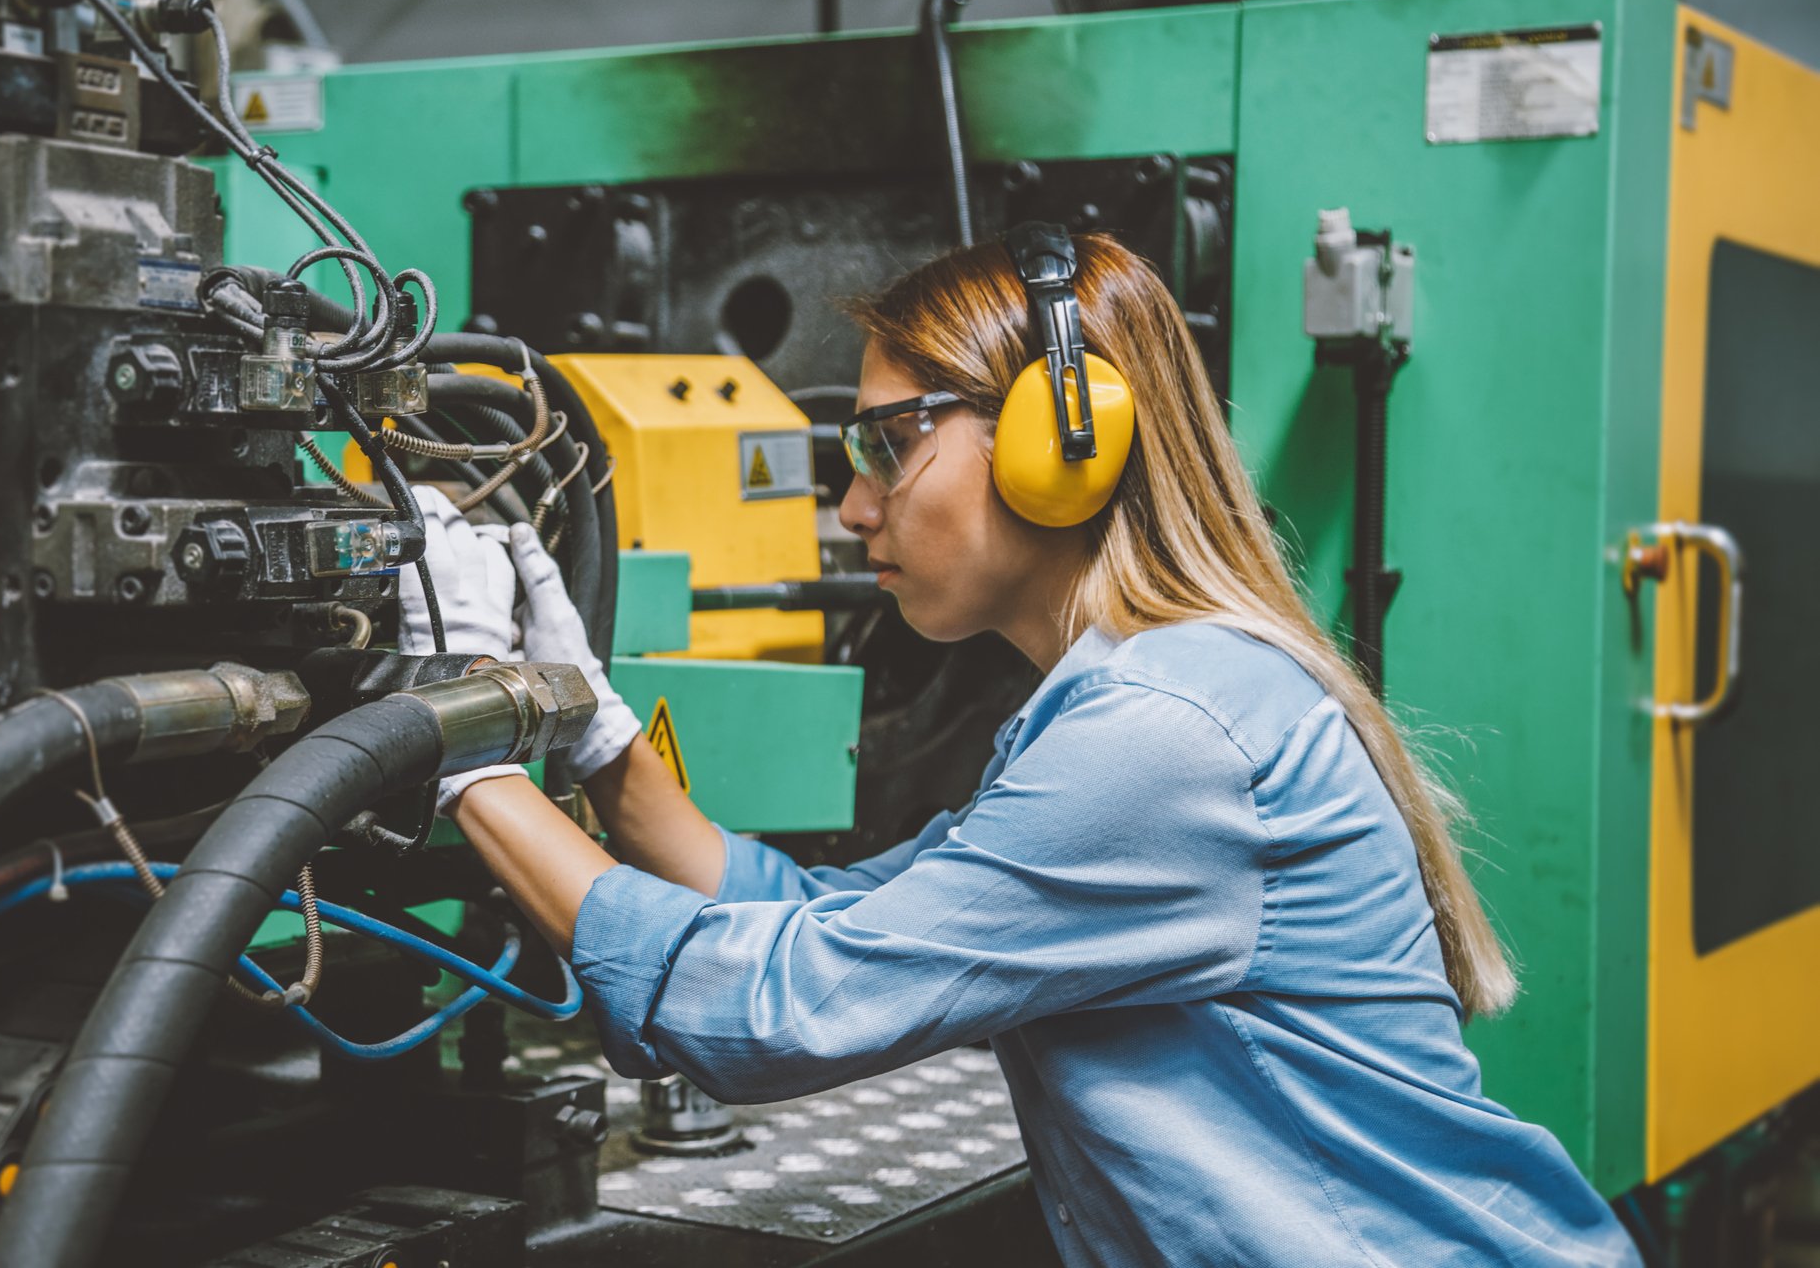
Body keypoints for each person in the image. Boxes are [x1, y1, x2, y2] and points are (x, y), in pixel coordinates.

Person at [399, 231, 1641, 1266]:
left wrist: (464, 732)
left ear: (1064, 444)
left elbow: (773, 1008)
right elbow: (814, 917)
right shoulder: (1133, 697)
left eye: (892, 441)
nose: (855, 503)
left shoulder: (1161, 736)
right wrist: (593, 727)